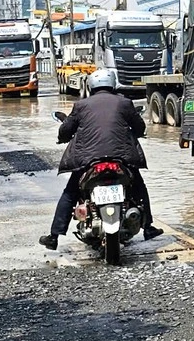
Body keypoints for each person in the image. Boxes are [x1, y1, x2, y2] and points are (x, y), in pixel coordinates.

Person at [39, 69, 162, 250]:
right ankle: (148, 228)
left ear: (91, 85)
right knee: (138, 186)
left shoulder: (81, 105)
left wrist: (63, 137)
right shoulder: (125, 103)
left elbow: (66, 131)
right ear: (113, 84)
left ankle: (54, 236)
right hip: (122, 159)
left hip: (88, 161)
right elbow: (139, 127)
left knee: (70, 193)